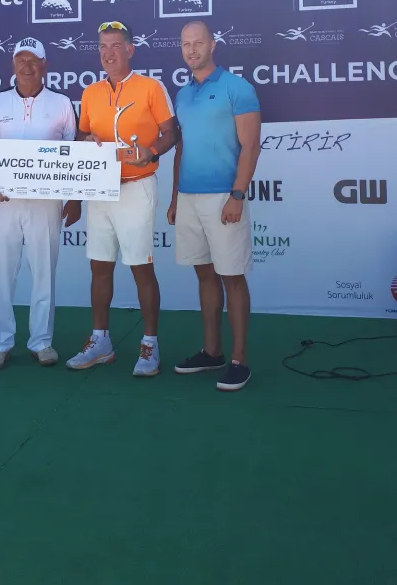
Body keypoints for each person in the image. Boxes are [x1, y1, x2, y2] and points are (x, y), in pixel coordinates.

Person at [64, 21, 178, 376]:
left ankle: (150, 343)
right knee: (99, 266)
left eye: (115, 45)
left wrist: (151, 151)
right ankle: (100, 341)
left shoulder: (150, 87)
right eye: (102, 46)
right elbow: (82, 136)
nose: (108, 53)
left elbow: (171, 132)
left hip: (136, 186)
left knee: (141, 267)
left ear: (130, 49)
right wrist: (85, 143)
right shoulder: (91, 92)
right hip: (100, 189)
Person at [0, 37, 77, 370]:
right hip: (3, 203)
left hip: (46, 203)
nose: (27, 66)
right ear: (13, 64)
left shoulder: (62, 103)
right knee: (1, 274)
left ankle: (41, 342)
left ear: (44, 65)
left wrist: (74, 198)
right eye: (21, 60)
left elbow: (75, 155)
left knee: (44, 273)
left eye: (33, 60)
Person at [167, 22, 261, 391]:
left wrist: (237, 195)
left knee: (232, 277)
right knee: (204, 275)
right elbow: (182, 148)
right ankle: (212, 351)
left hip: (225, 197)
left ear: (212, 45)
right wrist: (175, 197)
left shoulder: (237, 88)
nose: (191, 50)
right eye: (185, 44)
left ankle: (240, 360)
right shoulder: (182, 93)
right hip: (189, 198)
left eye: (198, 43)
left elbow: (250, 146)